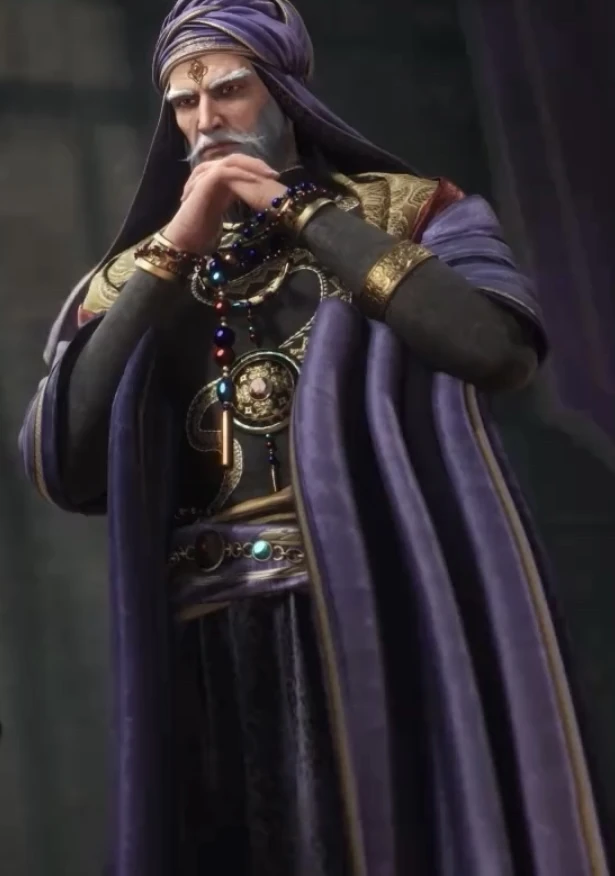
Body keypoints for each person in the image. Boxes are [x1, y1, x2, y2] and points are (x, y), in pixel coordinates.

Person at [19, 1, 615, 874]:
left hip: (376, 601)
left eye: (229, 90)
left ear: (284, 92)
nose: (206, 119)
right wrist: (172, 249)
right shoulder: (137, 274)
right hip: (203, 638)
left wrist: (295, 208)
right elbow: (65, 465)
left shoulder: (412, 213)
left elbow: (494, 348)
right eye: (184, 103)